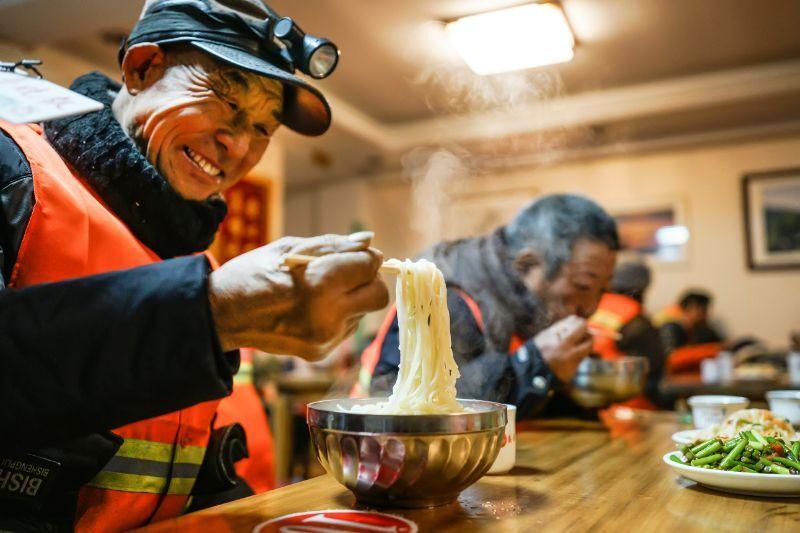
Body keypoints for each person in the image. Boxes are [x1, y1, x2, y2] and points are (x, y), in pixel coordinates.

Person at [0, 0, 389, 530]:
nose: (238, 145)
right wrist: (207, 316)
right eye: (224, 100)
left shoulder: (199, 260)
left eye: (262, 128)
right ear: (142, 69)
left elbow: (201, 463)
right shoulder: (14, 171)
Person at [356, 194, 619, 419]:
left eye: (603, 289)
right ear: (527, 265)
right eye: (583, 285)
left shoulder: (533, 306)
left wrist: (570, 385)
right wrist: (536, 364)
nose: (591, 308)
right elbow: (395, 399)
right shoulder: (448, 295)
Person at [588, 262, 666, 408]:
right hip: (625, 401)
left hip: (588, 396)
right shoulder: (634, 316)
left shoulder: (592, 305)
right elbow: (655, 363)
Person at [656, 290, 724, 373]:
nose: (706, 315)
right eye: (703, 310)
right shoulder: (670, 328)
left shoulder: (703, 330)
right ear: (690, 308)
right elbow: (672, 358)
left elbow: (721, 349)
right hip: (672, 380)